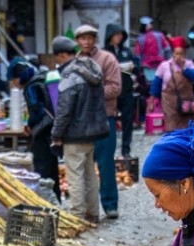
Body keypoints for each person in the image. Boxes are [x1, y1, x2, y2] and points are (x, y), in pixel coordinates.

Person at [50, 35, 108, 224]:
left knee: (75, 176)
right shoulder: (91, 69)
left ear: (61, 55)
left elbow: (64, 110)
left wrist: (56, 134)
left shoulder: (70, 75)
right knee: (90, 175)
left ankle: (77, 217)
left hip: (74, 134)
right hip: (92, 132)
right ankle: (93, 213)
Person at [75, 25, 121, 219]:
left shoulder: (107, 59)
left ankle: (110, 205)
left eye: (89, 38)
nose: (86, 42)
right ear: (77, 41)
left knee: (105, 164)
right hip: (81, 121)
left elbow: (115, 88)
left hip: (103, 118)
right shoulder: (75, 61)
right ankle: (89, 208)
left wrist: (90, 94)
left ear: (95, 39)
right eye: (82, 38)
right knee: (84, 166)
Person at [8, 58, 60, 202]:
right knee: (52, 168)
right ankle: (56, 201)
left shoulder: (31, 87)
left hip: (42, 132)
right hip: (52, 129)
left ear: (19, 78)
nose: (13, 83)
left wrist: (30, 126)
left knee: (42, 169)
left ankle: (45, 203)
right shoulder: (41, 79)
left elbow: (37, 110)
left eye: (13, 79)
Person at [151, 37, 194, 132]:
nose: (179, 56)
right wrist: (152, 101)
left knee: (187, 127)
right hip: (169, 102)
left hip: (186, 101)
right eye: (177, 53)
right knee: (171, 127)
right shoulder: (164, 66)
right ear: (173, 53)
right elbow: (156, 84)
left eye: (181, 53)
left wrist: (183, 68)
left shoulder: (189, 64)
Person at [104, 23, 138, 159]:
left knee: (128, 121)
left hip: (126, 90)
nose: (119, 37)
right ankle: (108, 149)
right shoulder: (104, 53)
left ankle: (126, 149)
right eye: (116, 34)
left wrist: (132, 67)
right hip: (110, 92)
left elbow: (136, 67)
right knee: (109, 121)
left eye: (121, 35)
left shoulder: (126, 51)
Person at [136, 16, 170, 82]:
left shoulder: (140, 38)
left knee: (150, 84)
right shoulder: (159, 35)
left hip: (147, 67)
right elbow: (167, 49)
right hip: (160, 64)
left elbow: (137, 55)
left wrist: (140, 68)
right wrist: (168, 62)